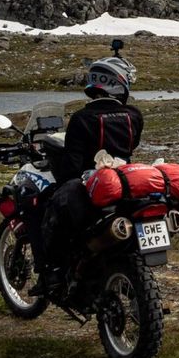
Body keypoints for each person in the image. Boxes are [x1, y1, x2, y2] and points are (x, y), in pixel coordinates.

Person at [37, 54, 144, 296]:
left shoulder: (81, 118)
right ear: (119, 83)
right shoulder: (134, 116)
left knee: (53, 205)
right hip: (123, 183)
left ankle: (53, 272)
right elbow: (129, 149)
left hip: (94, 188)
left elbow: (72, 166)